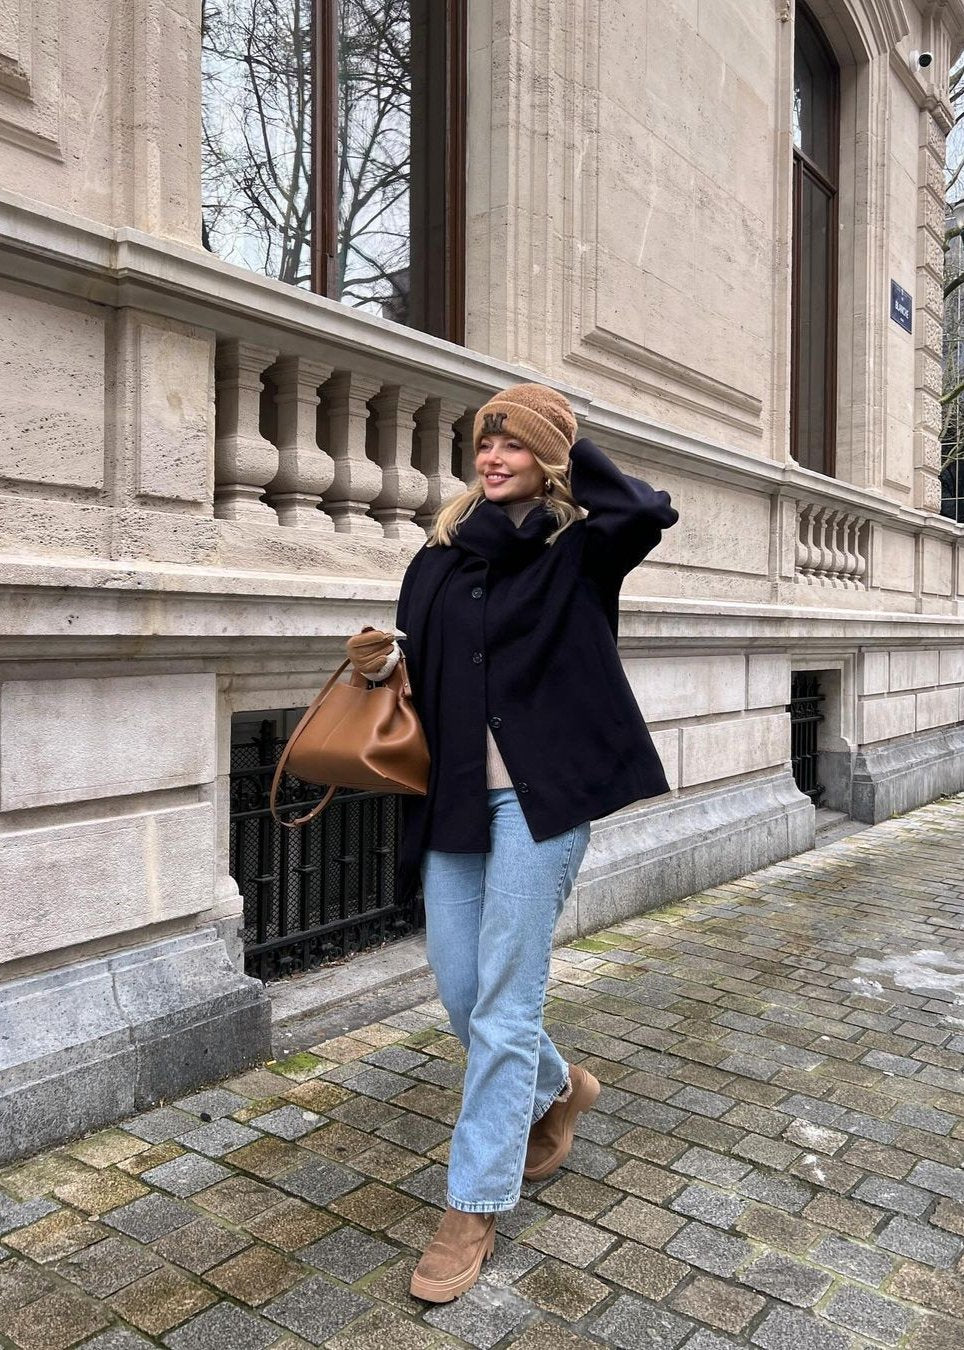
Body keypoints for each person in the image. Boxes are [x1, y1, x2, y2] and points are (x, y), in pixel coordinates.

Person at [346, 383, 678, 1303]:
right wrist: (381, 665)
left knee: (503, 1001)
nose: (493, 458)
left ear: (549, 459)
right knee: (463, 989)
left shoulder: (582, 548)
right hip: (453, 796)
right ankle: (561, 1089)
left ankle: (473, 1204)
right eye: (486, 443)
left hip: (542, 802)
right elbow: (421, 672)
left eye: (515, 445)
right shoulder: (438, 556)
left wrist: (566, 439)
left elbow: (644, 510)